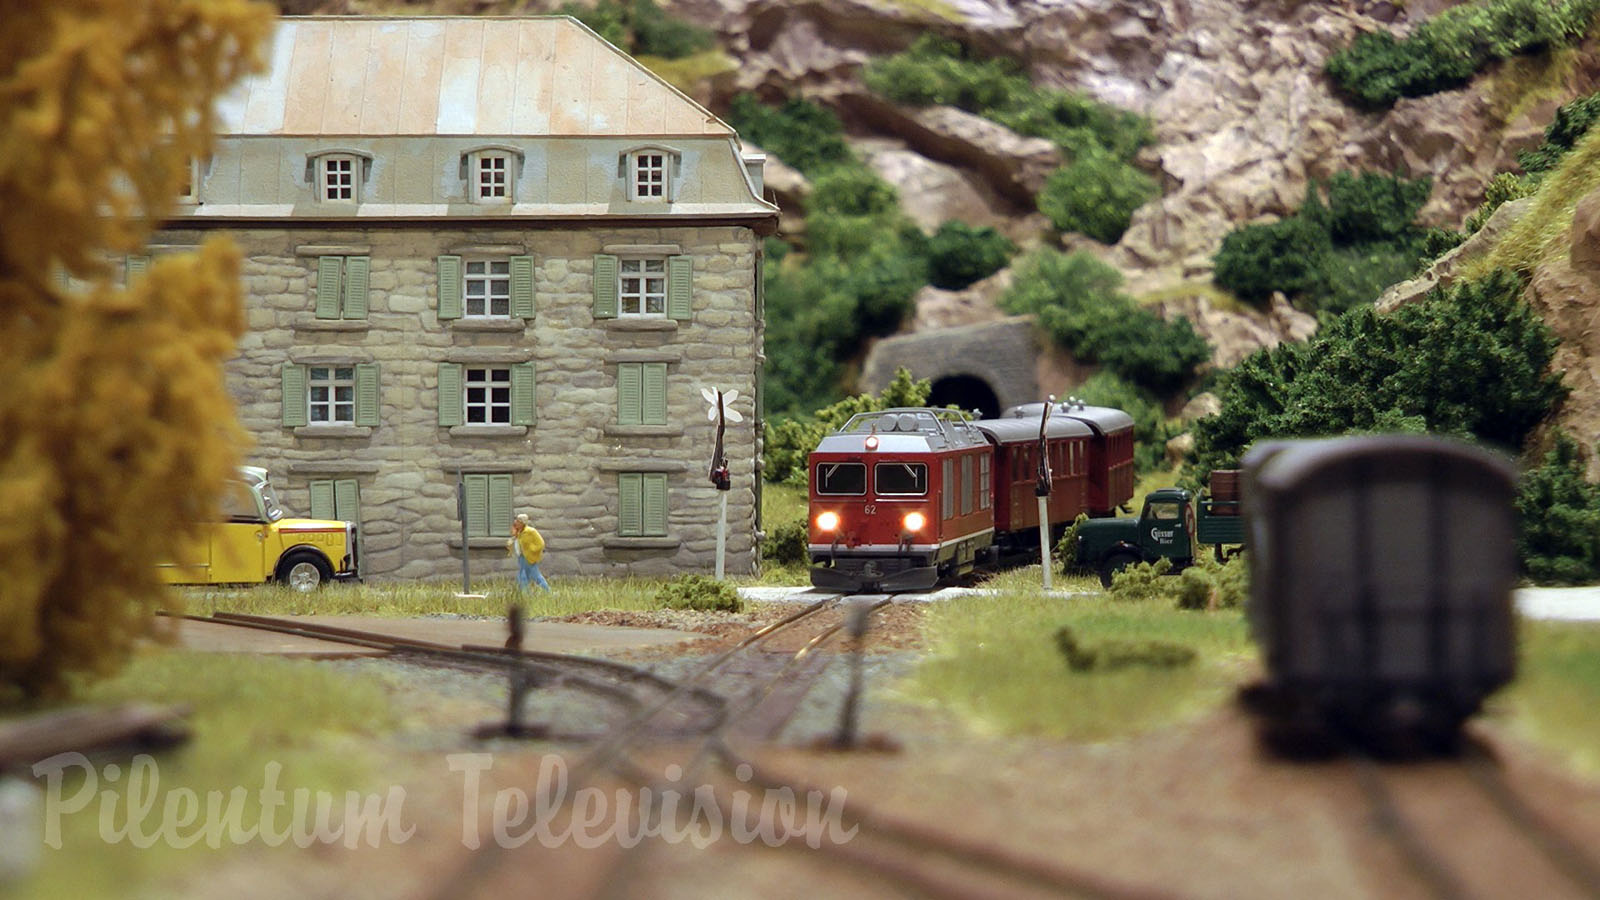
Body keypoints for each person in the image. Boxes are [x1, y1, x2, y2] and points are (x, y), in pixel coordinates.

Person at [507, 513, 550, 592]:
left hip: (529, 557)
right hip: (521, 557)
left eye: (518, 521)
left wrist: (532, 550)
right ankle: (525, 593)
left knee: (535, 575)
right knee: (522, 576)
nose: (516, 522)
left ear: (522, 522)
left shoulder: (531, 531)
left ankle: (547, 591)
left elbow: (541, 543)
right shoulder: (520, 532)